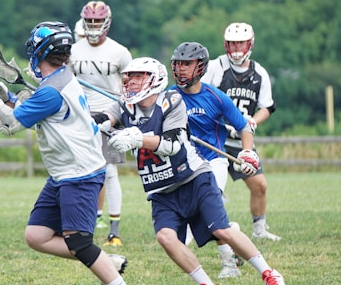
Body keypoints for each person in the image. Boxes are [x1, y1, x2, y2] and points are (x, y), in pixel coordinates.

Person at [93, 57, 286, 285]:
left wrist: (136, 138)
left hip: (194, 178)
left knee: (222, 230)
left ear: (155, 81)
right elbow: (102, 119)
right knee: (165, 237)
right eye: (130, 78)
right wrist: (89, 122)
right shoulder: (124, 105)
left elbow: (171, 144)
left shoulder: (172, 101)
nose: (132, 83)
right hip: (162, 188)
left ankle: (269, 273)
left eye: (139, 78)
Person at [0, 21, 127, 285]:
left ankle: (104, 268)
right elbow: (41, 114)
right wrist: (10, 100)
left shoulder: (51, 91)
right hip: (63, 174)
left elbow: (11, 124)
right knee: (37, 235)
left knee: (78, 241)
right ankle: (101, 259)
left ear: (40, 52)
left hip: (79, 174)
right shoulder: (60, 80)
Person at [169, 42, 258, 278]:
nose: (180, 69)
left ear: (199, 67)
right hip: (184, 164)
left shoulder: (216, 97)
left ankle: (230, 265)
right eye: (178, 64)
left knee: (207, 214)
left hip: (213, 162)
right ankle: (232, 231)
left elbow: (244, 127)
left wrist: (247, 153)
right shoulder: (168, 96)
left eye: (186, 64)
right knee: (191, 230)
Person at [201, 22, 281, 241]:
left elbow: (267, 107)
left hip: (241, 140)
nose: (236, 48)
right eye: (232, 43)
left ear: (250, 44)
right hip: (214, 138)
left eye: (241, 43)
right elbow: (200, 95)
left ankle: (260, 230)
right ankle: (205, 229)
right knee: (210, 189)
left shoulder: (259, 73)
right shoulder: (215, 67)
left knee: (259, 184)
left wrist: (253, 123)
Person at [69, 0, 132, 247]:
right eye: (90, 21)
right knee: (79, 169)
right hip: (81, 116)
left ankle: (114, 231)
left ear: (106, 22)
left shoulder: (120, 52)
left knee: (109, 172)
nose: (94, 26)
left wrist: (123, 111)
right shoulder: (73, 50)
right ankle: (83, 223)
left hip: (110, 115)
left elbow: (130, 86)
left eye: (98, 21)